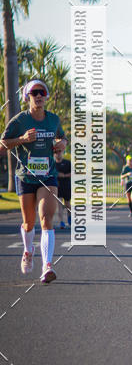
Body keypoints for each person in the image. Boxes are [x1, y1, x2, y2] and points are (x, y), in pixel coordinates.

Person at [1, 78, 66, 283]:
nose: (38, 96)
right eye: (34, 93)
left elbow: (62, 138)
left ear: (46, 97)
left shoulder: (53, 119)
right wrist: (22, 139)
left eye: (42, 93)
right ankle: (28, 251)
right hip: (25, 177)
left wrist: (61, 144)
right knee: (29, 223)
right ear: (27, 97)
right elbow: (2, 145)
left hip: (48, 176)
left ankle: (47, 266)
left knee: (46, 218)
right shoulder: (20, 120)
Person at [54, 148, 72, 228]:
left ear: (62, 153)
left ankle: (70, 217)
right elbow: (50, 173)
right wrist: (56, 174)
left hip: (67, 186)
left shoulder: (67, 163)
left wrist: (64, 175)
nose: (58, 154)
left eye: (59, 151)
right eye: (56, 152)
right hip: (57, 187)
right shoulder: (52, 164)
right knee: (59, 204)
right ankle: (61, 222)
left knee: (67, 204)